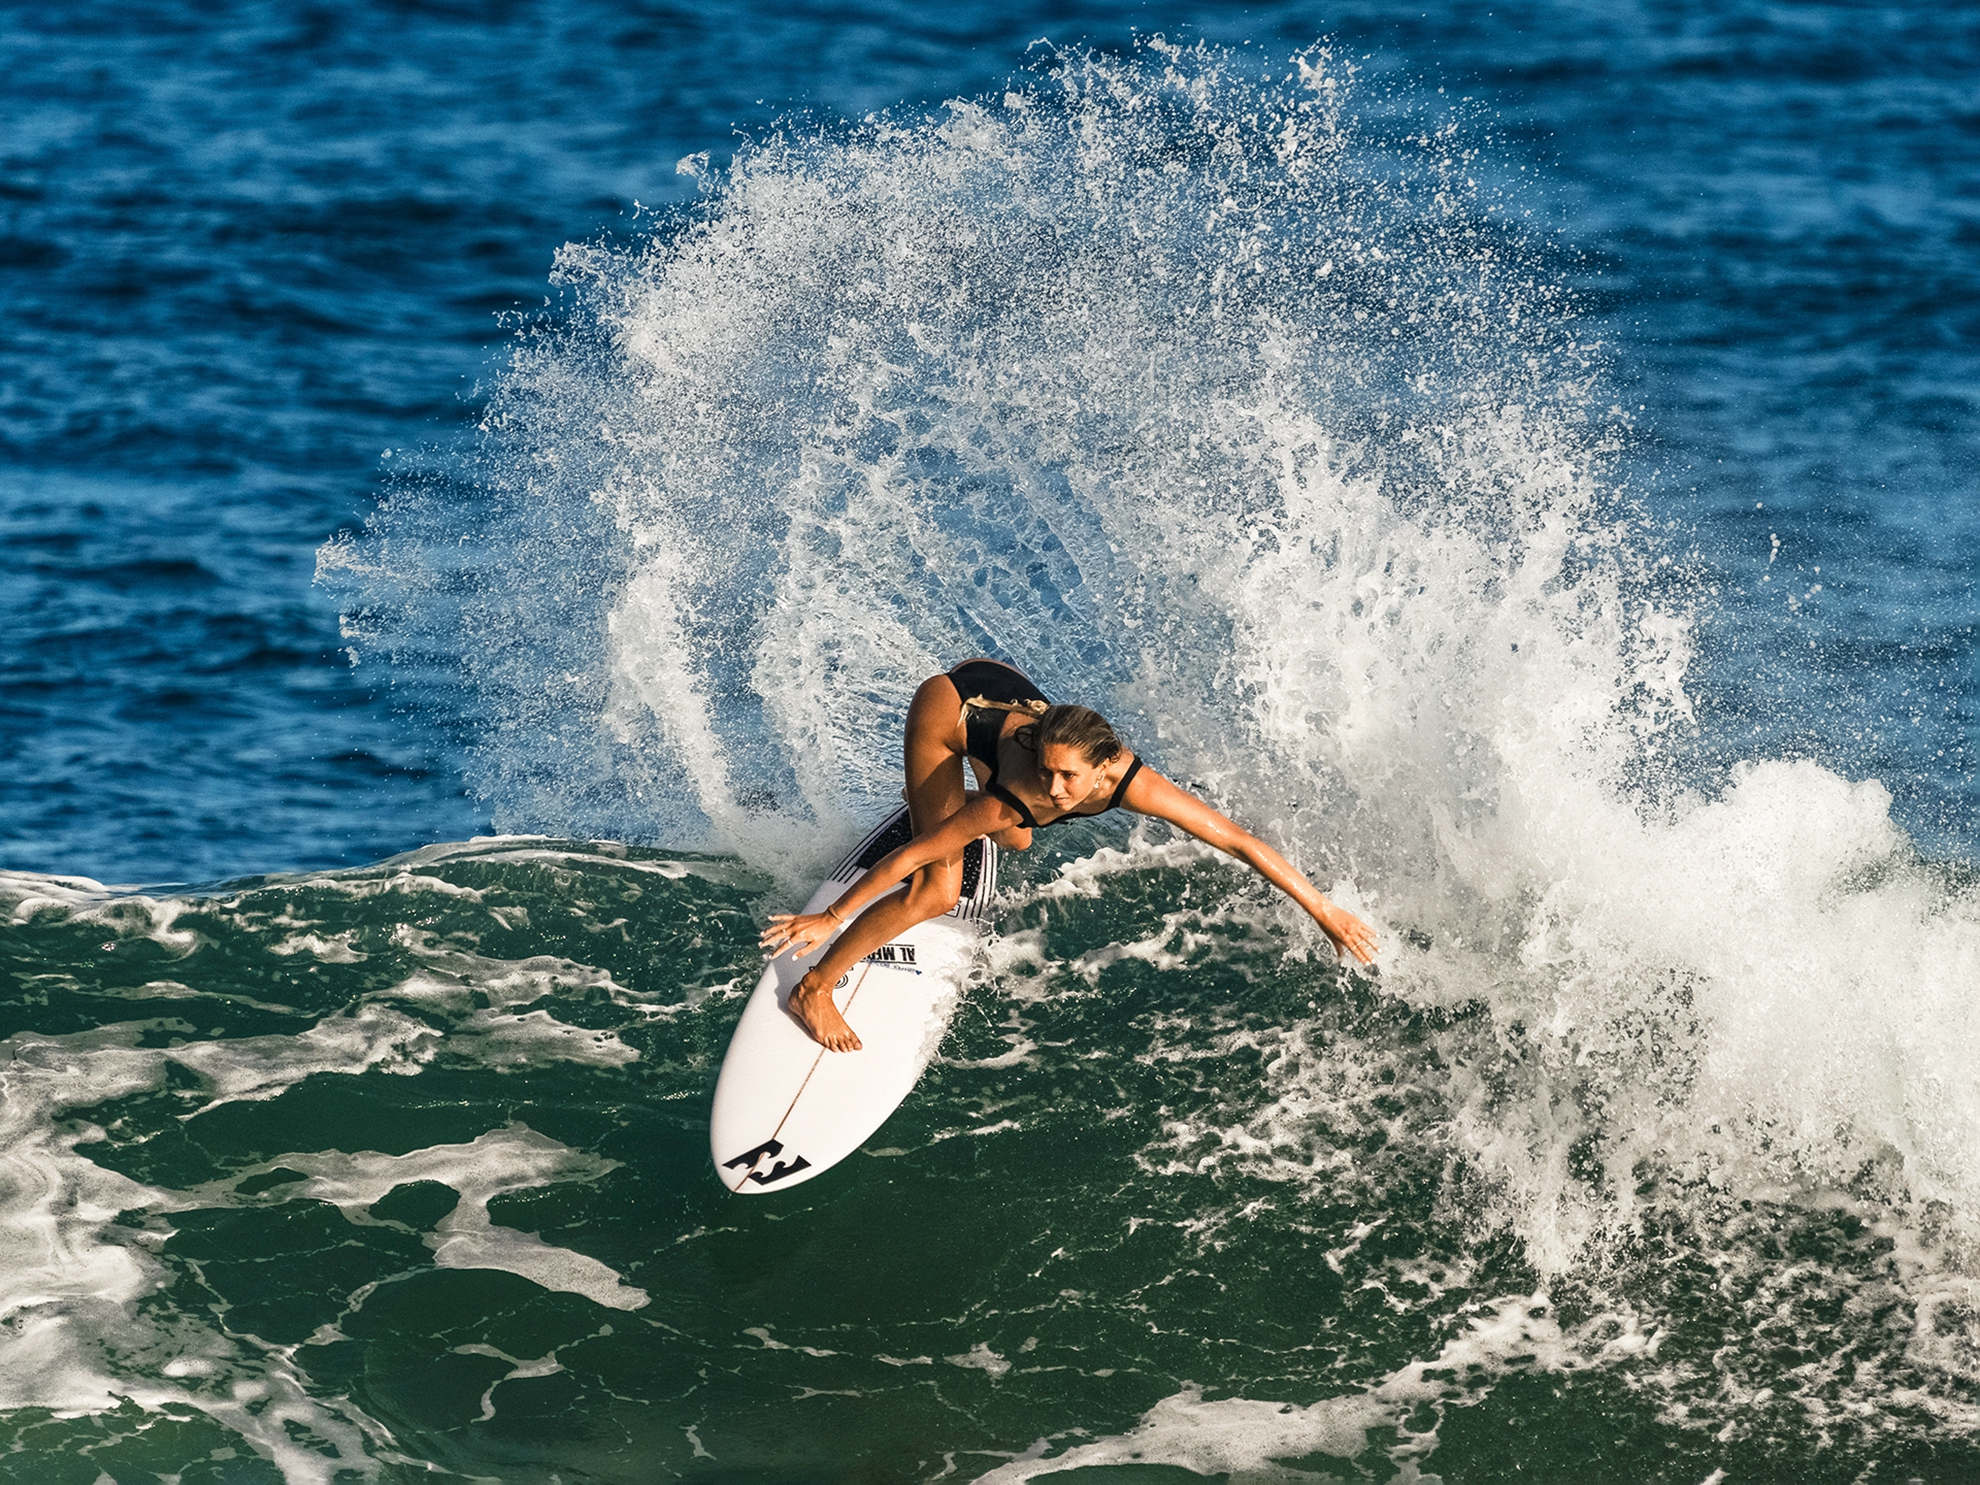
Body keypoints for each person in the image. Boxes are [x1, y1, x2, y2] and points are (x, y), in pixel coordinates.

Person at [759, 659, 1378, 1051]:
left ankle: (936, 795)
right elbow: (908, 860)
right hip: (948, 710)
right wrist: (830, 918)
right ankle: (815, 988)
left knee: (1020, 838)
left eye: (1070, 779)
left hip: (997, 692)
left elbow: (1237, 839)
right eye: (1049, 774)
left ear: (1105, 766)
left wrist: (1324, 910)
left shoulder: (1134, 782)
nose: (1057, 791)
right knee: (938, 887)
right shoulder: (1023, 792)